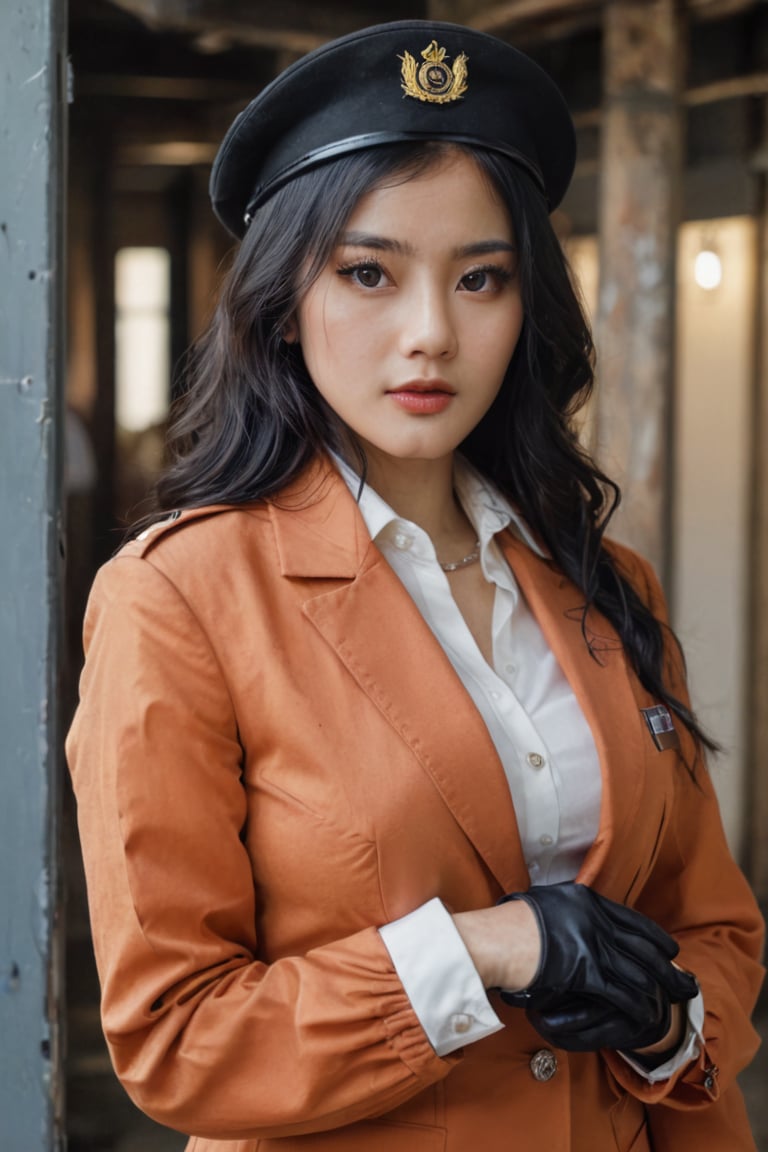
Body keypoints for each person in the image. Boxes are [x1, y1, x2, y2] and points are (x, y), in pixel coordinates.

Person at [66, 19, 765, 1152]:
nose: (430, 334)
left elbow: (714, 928)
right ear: (286, 302)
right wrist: (493, 949)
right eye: (369, 274)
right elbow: (176, 1038)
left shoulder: (605, 580)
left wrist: (667, 1025)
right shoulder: (181, 597)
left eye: (481, 278)